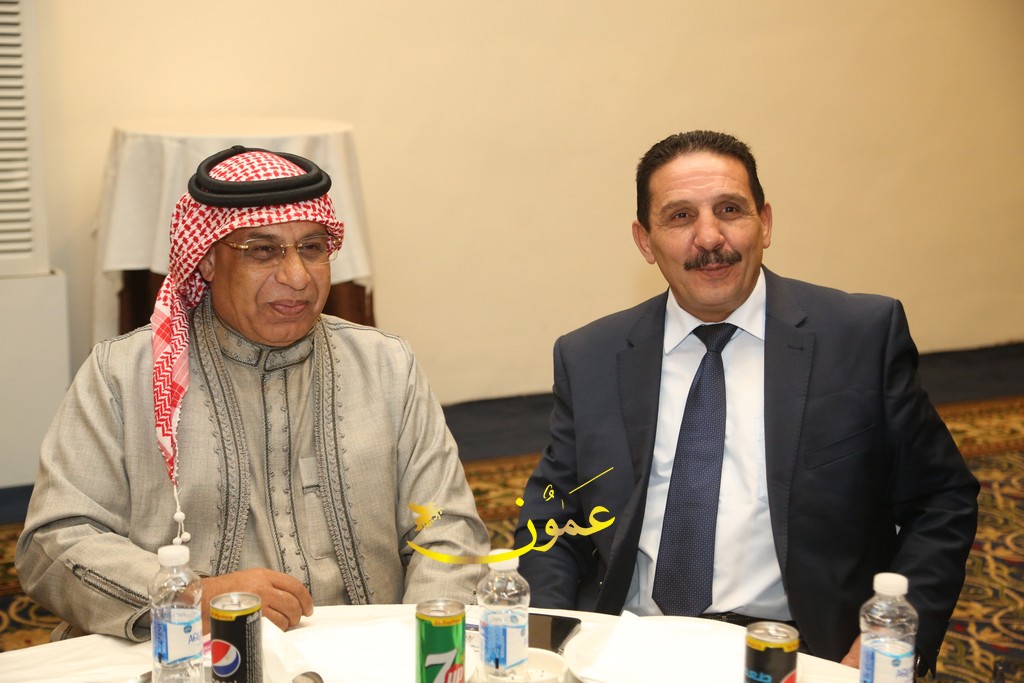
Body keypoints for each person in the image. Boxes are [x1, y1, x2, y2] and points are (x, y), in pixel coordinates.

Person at [514, 130, 978, 675]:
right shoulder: (590, 356)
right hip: (628, 646)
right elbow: (554, 519)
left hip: (805, 652)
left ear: (766, 223)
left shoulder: (860, 336)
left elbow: (940, 502)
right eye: (680, 217)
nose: (710, 238)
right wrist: (549, 646)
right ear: (645, 241)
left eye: (730, 210)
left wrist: (880, 646)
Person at [17, 146, 489, 641]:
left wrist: (423, 646)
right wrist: (187, 599)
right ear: (207, 260)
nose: (297, 277)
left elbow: (444, 524)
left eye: (312, 248)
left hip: (366, 652)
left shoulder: (386, 365)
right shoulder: (123, 374)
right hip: (187, 652)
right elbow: (56, 542)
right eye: (263, 250)